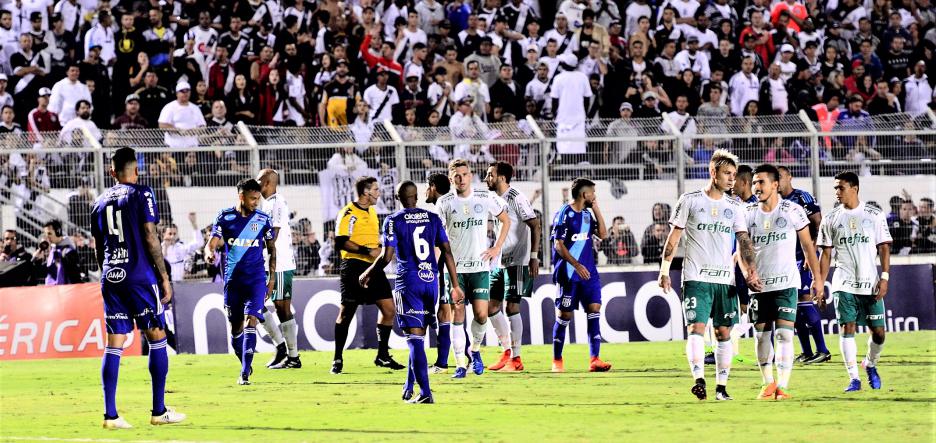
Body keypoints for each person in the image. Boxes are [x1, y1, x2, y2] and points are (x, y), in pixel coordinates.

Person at [89, 147, 185, 428]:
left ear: (111, 172)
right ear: (136, 170)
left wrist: (107, 273)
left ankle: (111, 415)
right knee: (157, 337)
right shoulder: (142, 193)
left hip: (111, 275)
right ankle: (159, 411)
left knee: (114, 344)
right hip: (140, 276)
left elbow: (98, 248)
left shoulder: (98, 202)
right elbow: (149, 235)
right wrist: (164, 276)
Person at [658, 149, 762, 401]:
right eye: (727, 173)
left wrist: (750, 272)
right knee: (696, 328)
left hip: (724, 280)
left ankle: (721, 388)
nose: (731, 179)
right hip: (696, 277)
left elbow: (743, 241)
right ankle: (699, 380)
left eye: (734, 175)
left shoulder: (734, 207)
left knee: (724, 333)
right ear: (713, 172)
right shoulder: (690, 200)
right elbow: (674, 238)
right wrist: (664, 270)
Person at [360, 181, 464, 404]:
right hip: (431, 282)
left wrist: (368, 271)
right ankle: (409, 384)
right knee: (417, 339)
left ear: (397, 197)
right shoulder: (433, 218)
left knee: (414, 339)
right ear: (416, 196)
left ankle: (425, 393)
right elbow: (447, 252)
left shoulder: (393, 220)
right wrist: (455, 285)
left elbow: (387, 257)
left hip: (409, 283)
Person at [745, 164, 824, 400]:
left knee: (784, 336)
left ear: (775, 184)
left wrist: (818, 279)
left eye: (761, 182)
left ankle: (783, 387)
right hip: (759, 286)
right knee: (761, 336)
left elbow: (808, 246)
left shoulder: (793, 210)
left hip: (786, 283)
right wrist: (748, 273)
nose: (756, 187)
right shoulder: (748, 213)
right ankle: (767, 383)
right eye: (754, 182)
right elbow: (741, 249)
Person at [435, 159, 511, 378]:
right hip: (455, 269)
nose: (461, 179)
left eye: (465, 174)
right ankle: (460, 364)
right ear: (451, 179)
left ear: (470, 175)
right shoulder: (445, 203)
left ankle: (474, 351)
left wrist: (496, 248)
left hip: (479, 268)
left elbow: (505, 221)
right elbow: (439, 239)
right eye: (456, 176)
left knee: (481, 315)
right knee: (457, 313)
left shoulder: (485, 197)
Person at [817, 171, 892, 392]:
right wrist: (820, 283)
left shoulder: (874, 215)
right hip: (843, 282)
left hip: (870, 283)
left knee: (878, 334)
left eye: (840, 188)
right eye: (835, 188)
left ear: (855, 188)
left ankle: (870, 363)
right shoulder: (830, 219)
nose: (837, 192)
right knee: (846, 327)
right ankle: (854, 379)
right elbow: (826, 255)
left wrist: (885, 277)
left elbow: (884, 247)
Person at [203, 178, 277, 386]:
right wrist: (209, 253)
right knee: (236, 329)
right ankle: (245, 362)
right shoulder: (225, 217)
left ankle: (244, 373)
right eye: (253, 199)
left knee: (251, 320)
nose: (256, 203)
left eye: (258, 199)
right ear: (241, 196)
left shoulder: (262, 219)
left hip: (256, 279)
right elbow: (212, 244)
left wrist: (271, 278)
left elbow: (272, 249)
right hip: (233, 281)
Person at [331, 176, 405, 374]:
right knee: (346, 313)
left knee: (389, 309)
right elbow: (340, 241)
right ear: (366, 192)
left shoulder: (372, 212)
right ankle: (337, 358)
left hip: (373, 267)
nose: (379, 193)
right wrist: (367, 251)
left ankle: (382, 355)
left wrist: (379, 250)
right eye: (376, 189)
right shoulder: (348, 212)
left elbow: (372, 243)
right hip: (353, 266)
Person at [483, 161, 541, 372]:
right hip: (500, 261)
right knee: (489, 306)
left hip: (518, 261)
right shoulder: (493, 199)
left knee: (512, 307)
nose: (486, 178)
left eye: (490, 174)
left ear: (501, 178)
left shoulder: (516, 197)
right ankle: (506, 351)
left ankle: (516, 359)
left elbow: (535, 225)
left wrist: (534, 257)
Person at [550, 177, 612, 372]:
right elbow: (558, 245)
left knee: (594, 308)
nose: (595, 196)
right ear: (585, 194)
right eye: (593, 193)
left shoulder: (587, 214)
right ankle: (557, 360)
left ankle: (595, 359)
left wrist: (596, 209)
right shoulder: (563, 214)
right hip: (569, 273)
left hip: (589, 273)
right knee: (565, 316)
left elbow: (603, 234)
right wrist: (576, 265)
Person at [777, 165, 830, 364]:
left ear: (789, 177)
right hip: (786, 261)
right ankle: (807, 351)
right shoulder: (775, 202)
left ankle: (823, 350)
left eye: (781, 176)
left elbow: (819, 223)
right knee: (794, 306)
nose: (779, 181)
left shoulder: (802, 198)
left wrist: (812, 252)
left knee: (804, 300)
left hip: (803, 258)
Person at [257, 169, 302, 369]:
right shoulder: (266, 203)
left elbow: (272, 235)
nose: (256, 183)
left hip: (280, 263)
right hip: (267, 263)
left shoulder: (276, 203)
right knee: (256, 303)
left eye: (259, 180)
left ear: (267, 182)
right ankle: (281, 347)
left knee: (282, 307)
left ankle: (292, 356)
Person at [425, 173, 455, 373]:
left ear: (433, 187)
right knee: (451, 312)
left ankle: (443, 364)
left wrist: (431, 269)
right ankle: (468, 359)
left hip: (446, 265)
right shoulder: (454, 202)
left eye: (427, 186)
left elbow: (440, 243)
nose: (425, 191)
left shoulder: (439, 208)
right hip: (461, 263)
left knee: (445, 312)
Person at [32, 219, 83, 285]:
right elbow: (44, 273)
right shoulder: (53, 250)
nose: (47, 237)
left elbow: (75, 277)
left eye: (49, 233)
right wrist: (38, 260)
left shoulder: (68, 252)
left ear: (58, 232)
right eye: (45, 234)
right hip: (52, 291)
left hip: (63, 292)